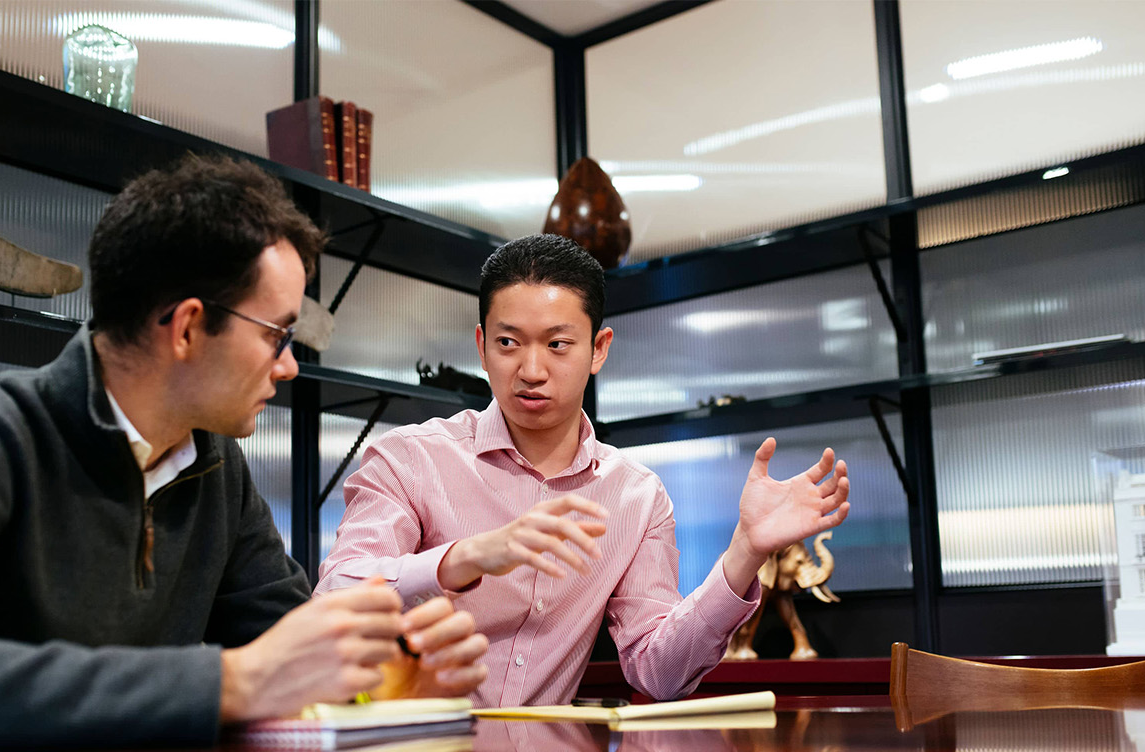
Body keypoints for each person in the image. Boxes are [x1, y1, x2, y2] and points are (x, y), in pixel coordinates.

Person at [0, 155, 488, 752]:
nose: (289, 368)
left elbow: (289, 648)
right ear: (187, 327)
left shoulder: (216, 469)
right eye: (277, 335)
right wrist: (232, 681)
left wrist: (390, 676)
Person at [316, 234, 849, 706]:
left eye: (557, 344)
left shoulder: (636, 496)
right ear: (481, 347)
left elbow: (659, 671)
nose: (531, 369)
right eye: (508, 342)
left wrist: (745, 553)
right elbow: (336, 601)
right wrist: (464, 558)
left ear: (598, 349)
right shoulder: (410, 458)